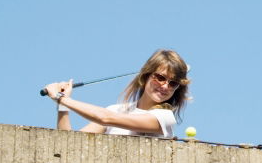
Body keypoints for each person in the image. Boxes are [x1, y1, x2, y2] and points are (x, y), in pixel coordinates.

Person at [42, 49, 190, 138]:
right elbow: (68, 143)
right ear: (146, 76)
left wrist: (60, 98)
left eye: (173, 83)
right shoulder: (116, 110)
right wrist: (63, 105)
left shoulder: (165, 118)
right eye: (160, 78)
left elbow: (105, 118)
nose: (165, 86)